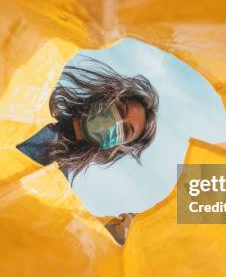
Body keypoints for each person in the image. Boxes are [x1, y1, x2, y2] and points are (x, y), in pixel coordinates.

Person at [16, 59, 159, 244]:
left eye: (126, 130)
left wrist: (108, 232)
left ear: (118, 147)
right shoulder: (32, 107)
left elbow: (55, 230)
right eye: (120, 110)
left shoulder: (57, 178)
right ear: (108, 98)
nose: (117, 123)